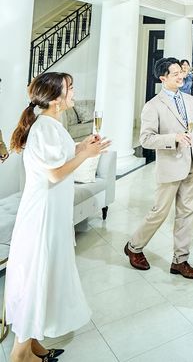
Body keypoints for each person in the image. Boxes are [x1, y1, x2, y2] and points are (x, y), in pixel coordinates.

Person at [6, 72, 110, 362]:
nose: (74, 92)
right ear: (55, 98)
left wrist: (82, 147)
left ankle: (34, 346)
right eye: (70, 88)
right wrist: (86, 155)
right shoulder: (45, 127)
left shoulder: (50, 124)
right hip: (43, 216)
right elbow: (54, 173)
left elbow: (58, 157)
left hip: (50, 212)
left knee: (45, 276)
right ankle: (20, 355)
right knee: (37, 278)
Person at [124, 58, 193, 279]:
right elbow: (146, 139)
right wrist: (174, 138)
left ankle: (180, 261)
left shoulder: (190, 100)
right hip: (170, 167)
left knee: (186, 213)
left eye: (181, 72)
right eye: (175, 74)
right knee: (159, 212)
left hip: (192, 164)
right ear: (163, 78)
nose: (181, 76)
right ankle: (134, 246)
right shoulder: (153, 106)